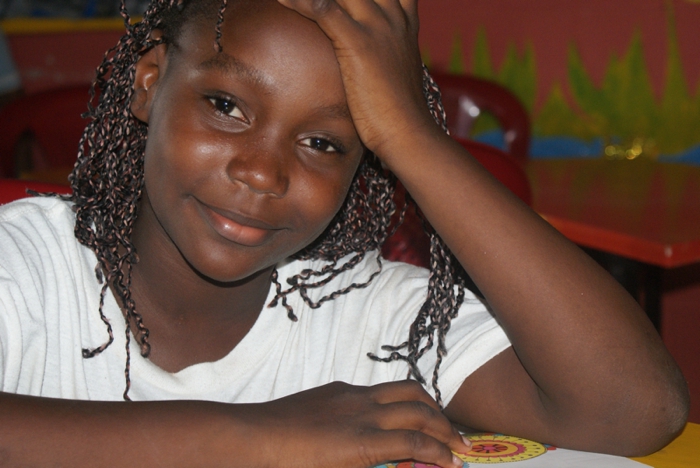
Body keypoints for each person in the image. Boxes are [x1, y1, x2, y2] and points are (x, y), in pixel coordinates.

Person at [0, 0, 689, 466]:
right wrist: (255, 439)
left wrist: (410, 135)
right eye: (225, 105)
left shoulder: (366, 314)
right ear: (150, 82)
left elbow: (636, 409)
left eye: (325, 143)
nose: (263, 172)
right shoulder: (26, 266)